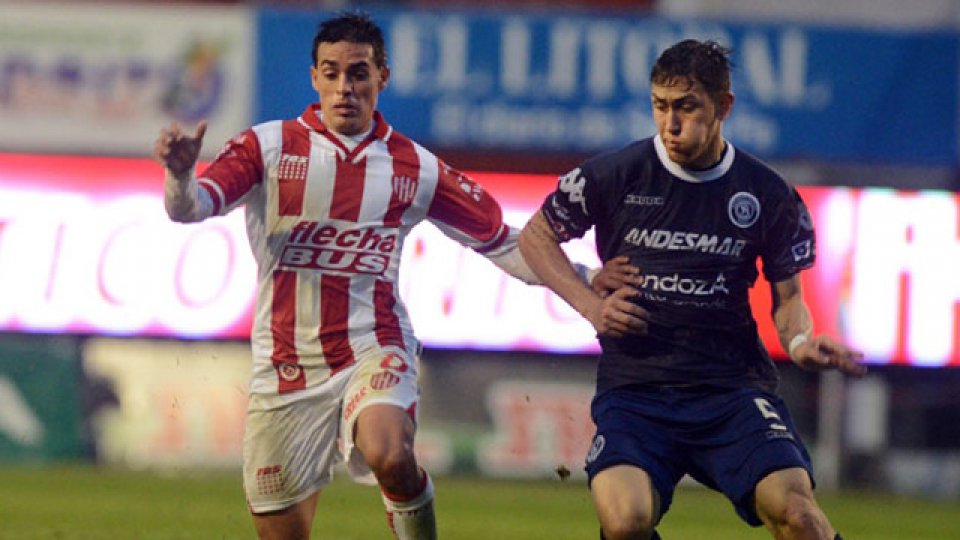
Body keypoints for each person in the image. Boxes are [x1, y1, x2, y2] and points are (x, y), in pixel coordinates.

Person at [154, 11, 615, 540]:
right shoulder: (268, 147)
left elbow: (503, 242)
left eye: (358, 73)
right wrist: (180, 174)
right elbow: (190, 208)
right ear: (314, 77)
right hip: (284, 368)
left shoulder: (416, 167)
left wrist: (585, 280)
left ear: (382, 78)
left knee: (389, 453)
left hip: (374, 346)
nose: (344, 88)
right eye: (332, 73)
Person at [518, 39, 867, 540]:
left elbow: (788, 299)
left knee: (800, 517)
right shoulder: (616, 174)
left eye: (686, 107)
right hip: (636, 392)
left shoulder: (767, 193)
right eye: (660, 106)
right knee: (625, 522)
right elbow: (535, 235)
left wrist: (799, 342)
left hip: (731, 390)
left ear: (724, 106)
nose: (671, 123)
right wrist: (591, 306)